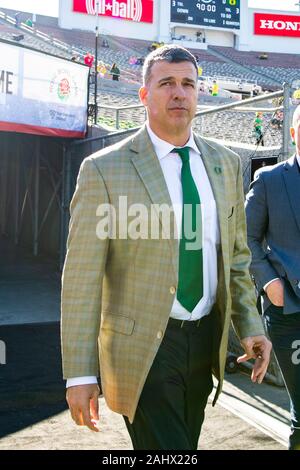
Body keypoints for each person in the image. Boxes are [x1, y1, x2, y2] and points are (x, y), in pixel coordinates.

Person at [61, 45, 271, 450]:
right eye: (167, 83)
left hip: (206, 342)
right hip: (143, 347)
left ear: (199, 93)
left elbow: (236, 259)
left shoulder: (225, 163)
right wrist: (80, 373)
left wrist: (249, 326)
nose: (179, 93)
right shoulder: (104, 169)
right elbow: (82, 278)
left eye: (188, 84)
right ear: (144, 95)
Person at [245, 104, 300, 450]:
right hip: (287, 311)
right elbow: (244, 238)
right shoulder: (270, 179)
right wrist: (270, 282)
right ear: (294, 134)